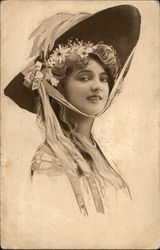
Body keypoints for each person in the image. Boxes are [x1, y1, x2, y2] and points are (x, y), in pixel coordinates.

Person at [4, 5, 141, 217]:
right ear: (59, 86)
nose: (98, 86)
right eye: (84, 77)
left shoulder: (96, 151)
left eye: (104, 78)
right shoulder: (51, 160)